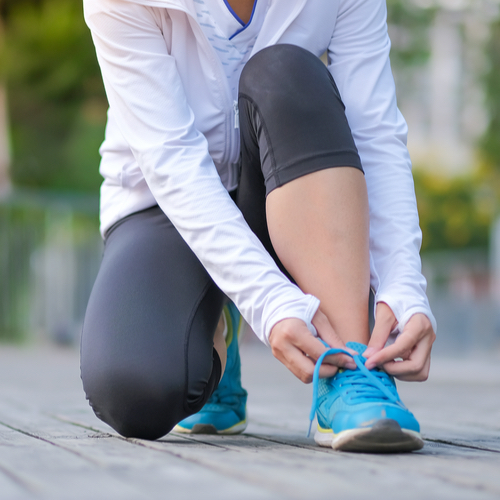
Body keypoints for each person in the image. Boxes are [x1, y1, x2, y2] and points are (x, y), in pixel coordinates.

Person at [81, 0, 437, 453]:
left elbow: (375, 131)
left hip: (287, 193)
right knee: (135, 392)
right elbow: (169, 158)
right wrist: (267, 302)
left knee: (285, 72)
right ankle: (217, 337)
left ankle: (354, 369)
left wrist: (403, 280)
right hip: (164, 202)